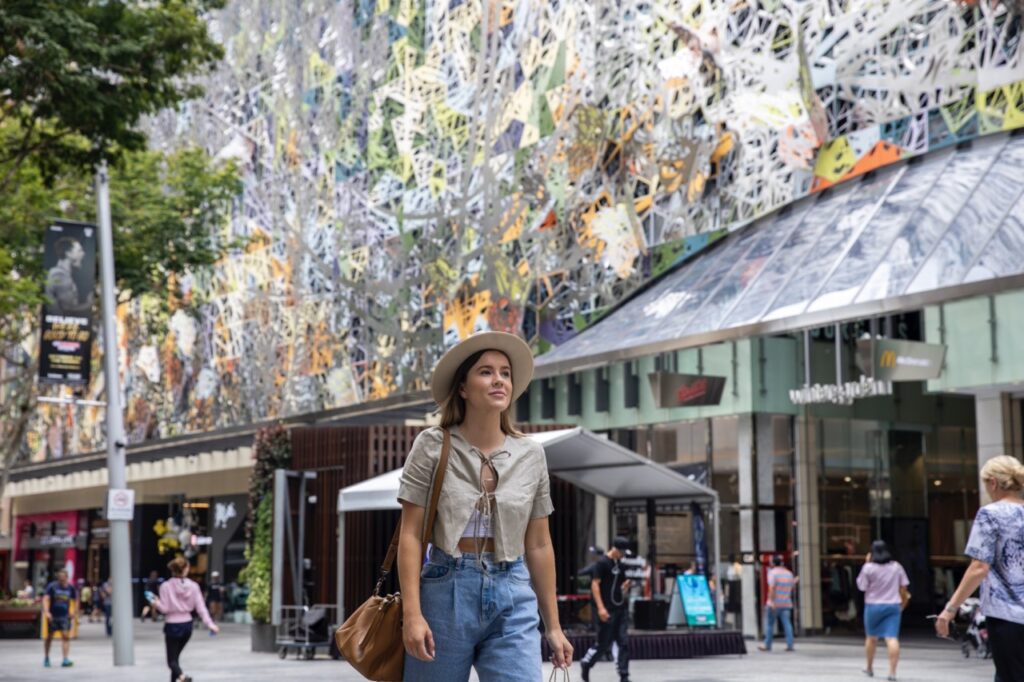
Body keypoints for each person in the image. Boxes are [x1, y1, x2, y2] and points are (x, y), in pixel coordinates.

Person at [397, 331, 573, 681]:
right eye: (486, 371)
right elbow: (412, 535)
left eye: (505, 373)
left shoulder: (531, 454)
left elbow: (538, 543)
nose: (499, 380)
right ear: (462, 387)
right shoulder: (432, 446)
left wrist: (553, 626)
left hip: (512, 590)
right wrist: (413, 614)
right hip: (445, 591)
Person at [935, 455, 1024, 682]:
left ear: (993, 482)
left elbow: (979, 567)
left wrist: (950, 608)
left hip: (1008, 615)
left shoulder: (990, 514)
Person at [152, 557, 219, 682]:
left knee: (171, 661)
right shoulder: (194, 586)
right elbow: (201, 608)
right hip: (187, 625)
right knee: (175, 659)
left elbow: (165, 609)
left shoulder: (165, 586)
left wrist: (156, 603)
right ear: (185, 569)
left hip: (172, 626)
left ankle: (182, 677)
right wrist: (210, 624)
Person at [579, 537, 633, 682]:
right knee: (603, 644)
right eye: (621, 552)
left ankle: (624, 675)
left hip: (620, 608)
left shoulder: (621, 566)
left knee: (623, 642)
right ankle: (586, 663)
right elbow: (595, 585)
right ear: (614, 549)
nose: (623, 555)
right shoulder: (602, 563)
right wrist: (601, 608)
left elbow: (620, 588)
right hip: (606, 609)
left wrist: (625, 587)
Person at [856, 540, 909, 680]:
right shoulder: (896, 567)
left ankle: (869, 667)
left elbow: (862, 586)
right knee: (891, 638)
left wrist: (866, 563)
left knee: (871, 637)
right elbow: (904, 585)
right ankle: (892, 672)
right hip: (893, 605)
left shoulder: (868, 568)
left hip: (873, 606)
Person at [44, 237, 93, 316]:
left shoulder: (61, 273)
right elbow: (67, 309)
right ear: (68, 253)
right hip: (59, 325)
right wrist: (89, 304)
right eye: (79, 251)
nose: (83, 254)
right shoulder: (60, 275)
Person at [758, 555, 797, 653]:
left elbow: (771, 588)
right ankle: (790, 645)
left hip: (775, 603)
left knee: (770, 624)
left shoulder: (772, 573)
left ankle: (767, 645)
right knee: (787, 624)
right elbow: (792, 587)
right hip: (786, 603)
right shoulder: (789, 573)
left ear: (773, 563)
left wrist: (771, 601)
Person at [42, 569, 77, 668]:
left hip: (65, 616)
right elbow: (45, 599)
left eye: (63, 577)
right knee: (49, 637)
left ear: (67, 577)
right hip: (53, 616)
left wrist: (74, 612)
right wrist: (47, 612)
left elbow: (75, 599)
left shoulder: (71, 588)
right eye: (59, 577)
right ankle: (46, 657)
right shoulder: (52, 586)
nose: (61, 579)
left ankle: (65, 659)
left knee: (65, 636)